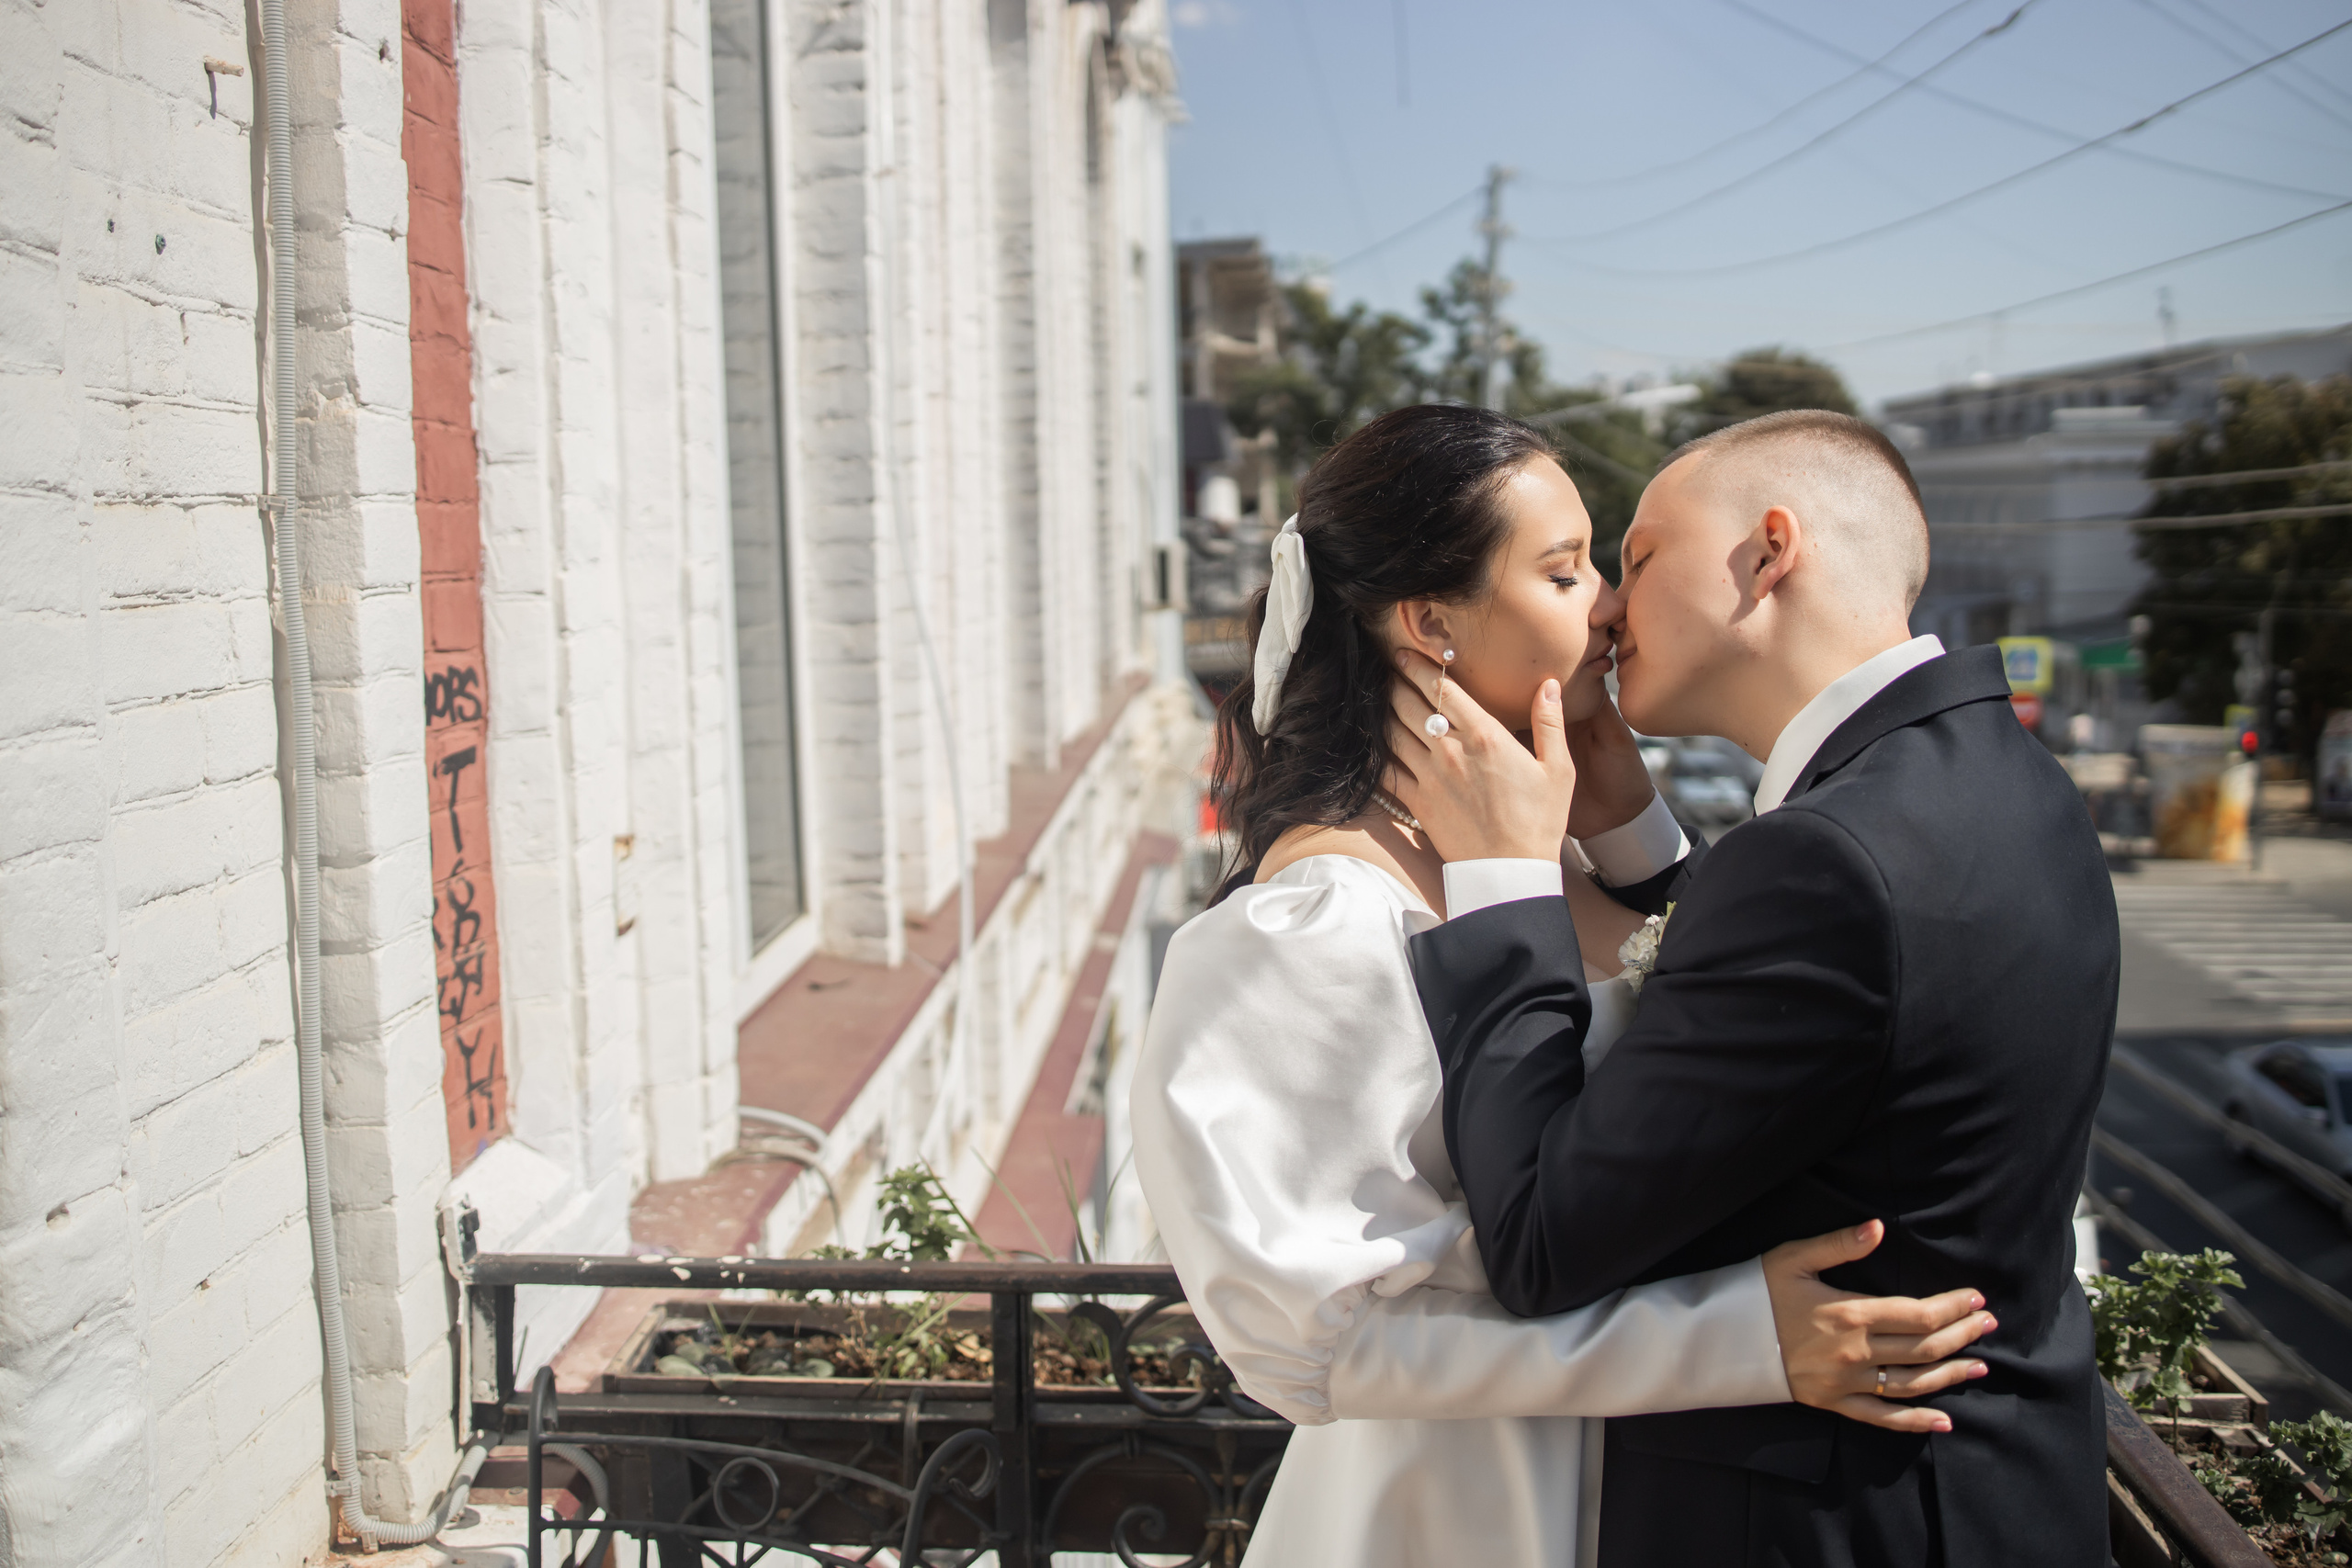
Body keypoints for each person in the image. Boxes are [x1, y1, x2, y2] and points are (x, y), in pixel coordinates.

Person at [1129, 404, 1998, 1567]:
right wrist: (1733, 1342)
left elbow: (1716, 1022)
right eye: (1565, 570)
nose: (1610, 606)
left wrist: (1628, 827)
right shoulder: (1316, 924)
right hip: (1475, 1510)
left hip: (1677, 1497)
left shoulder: (1548, 857)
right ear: (1431, 623)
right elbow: (1317, 1349)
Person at [1387, 409, 2118, 1565]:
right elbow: (1811, 1013)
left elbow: (1537, 1243)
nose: (1609, 608)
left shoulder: (1828, 861)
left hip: (1833, 1523)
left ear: (1770, 552)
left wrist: (1503, 876)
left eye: (1637, 559)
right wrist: (1633, 834)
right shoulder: (2001, 778)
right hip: (2002, 1493)